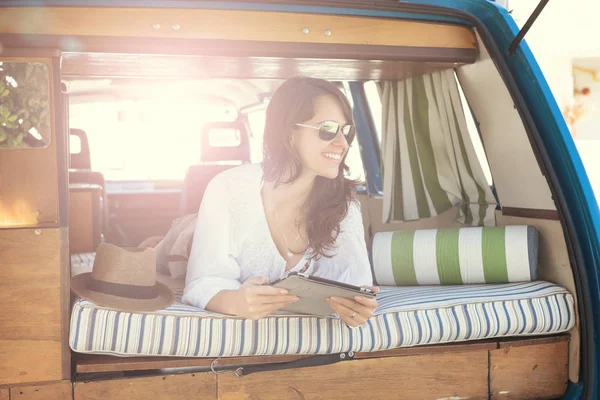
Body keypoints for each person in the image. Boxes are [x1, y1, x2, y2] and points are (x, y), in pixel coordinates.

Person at [182, 76, 378, 327]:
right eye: (327, 129)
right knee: (171, 248)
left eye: (346, 131)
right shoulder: (226, 188)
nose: (342, 143)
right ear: (289, 133)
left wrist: (357, 309)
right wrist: (235, 302)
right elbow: (202, 280)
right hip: (184, 242)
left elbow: (355, 285)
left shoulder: (345, 205)